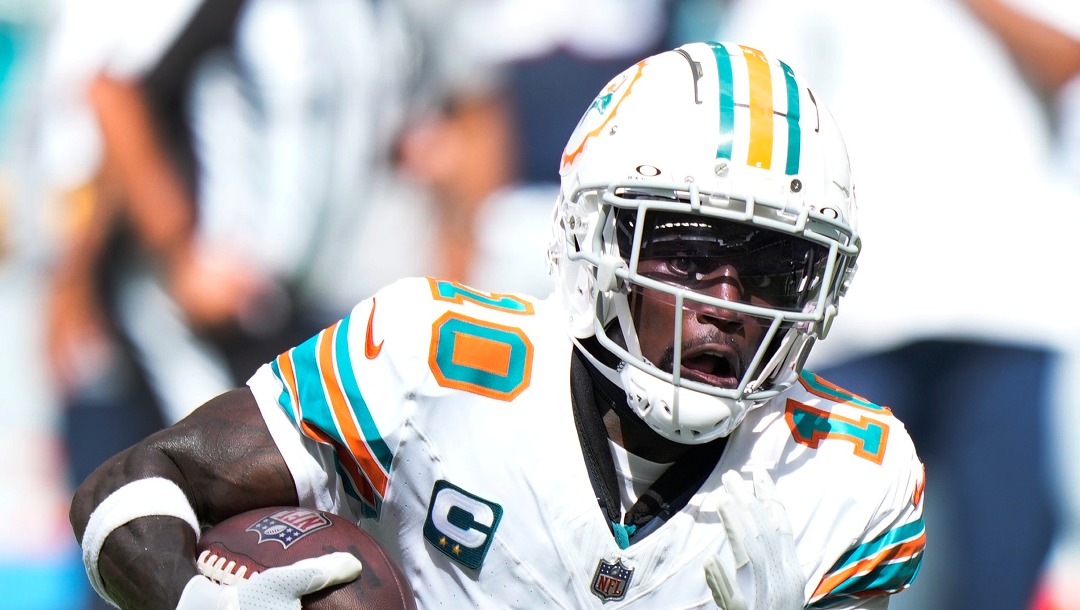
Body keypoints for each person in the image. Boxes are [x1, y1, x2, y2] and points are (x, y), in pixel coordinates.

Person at [69, 41, 925, 609]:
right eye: (691, 252)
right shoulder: (430, 356)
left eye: (775, 268)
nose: (728, 301)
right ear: (598, 239)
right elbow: (132, 484)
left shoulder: (847, 475)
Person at [716, 1, 1076, 608]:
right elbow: (756, 100)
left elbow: (1067, 56)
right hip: (855, 312)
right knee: (818, 562)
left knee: (1003, 575)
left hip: (1009, 302)